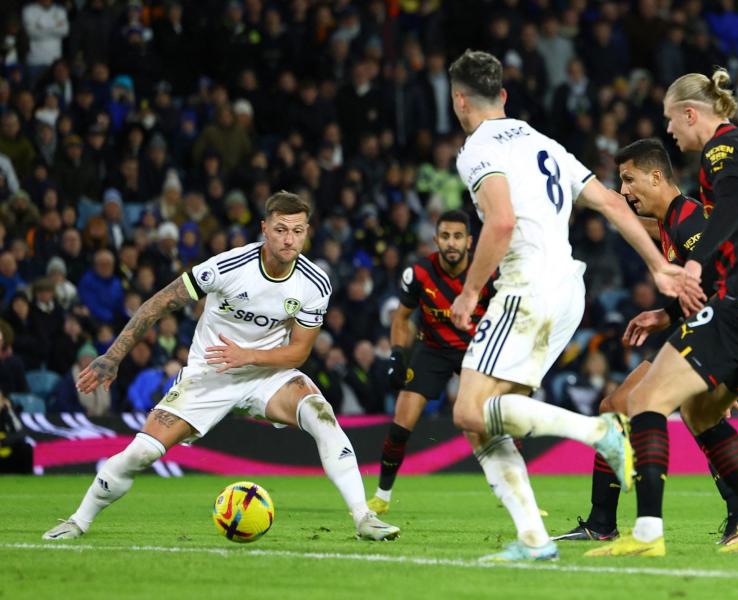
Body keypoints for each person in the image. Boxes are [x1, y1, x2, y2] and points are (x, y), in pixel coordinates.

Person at [42, 191, 400, 542]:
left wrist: (249, 356)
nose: (288, 239)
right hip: (209, 376)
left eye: (297, 230)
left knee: (321, 415)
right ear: (264, 228)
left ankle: (363, 518)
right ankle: (78, 521)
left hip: (267, 375)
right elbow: (157, 304)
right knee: (143, 452)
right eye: (280, 229)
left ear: (307, 232)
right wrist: (113, 356)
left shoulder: (315, 283)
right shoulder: (228, 267)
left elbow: (298, 353)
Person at [445, 50, 689, 562]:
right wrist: (658, 265)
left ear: (458, 99)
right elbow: (612, 202)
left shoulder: (476, 149)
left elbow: (502, 222)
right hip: (567, 290)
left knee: (468, 409)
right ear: (504, 97)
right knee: (484, 420)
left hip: (527, 287)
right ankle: (533, 538)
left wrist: (469, 292)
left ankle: (597, 432)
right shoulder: (541, 141)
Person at [587, 68, 738, 558]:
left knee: (644, 403)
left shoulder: (722, 151)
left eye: (671, 120)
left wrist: (694, 265)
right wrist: (669, 314)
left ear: (690, 113)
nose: (669, 131)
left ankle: (645, 536)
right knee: (701, 412)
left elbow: (727, 212)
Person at [553, 139, 738, 545]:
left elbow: (725, 285)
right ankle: (604, 523)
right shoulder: (669, 223)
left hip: (713, 337)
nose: (625, 190)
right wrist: (665, 315)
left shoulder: (690, 220)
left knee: (680, 415)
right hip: (695, 332)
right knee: (630, 409)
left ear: (656, 176)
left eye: (630, 179)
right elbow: (699, 287)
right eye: (621, 181)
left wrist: (725, 365)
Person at [368, 209, 496, 514]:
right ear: (436, 239)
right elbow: (401, 317)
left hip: (475, 350)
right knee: (401, 422)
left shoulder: (488, 273)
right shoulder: (419, 274)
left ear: (469, 241)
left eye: (457, 237)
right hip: (432, 349)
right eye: (445, 236)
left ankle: (514, 493)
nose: (451, 243)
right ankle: (381, 497)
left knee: (491, 422)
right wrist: (397, 353)